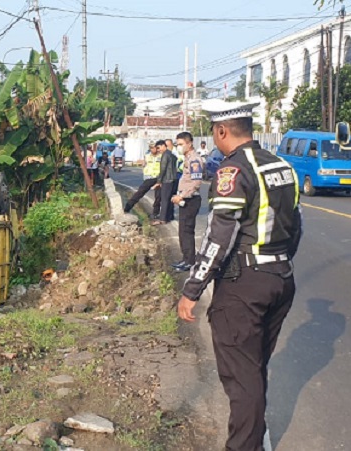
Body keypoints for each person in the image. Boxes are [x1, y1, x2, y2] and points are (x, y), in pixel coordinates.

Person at [178, 102, 302, 451]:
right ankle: (254, 440)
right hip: (281, 276)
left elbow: (220, 237)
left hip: (244, 284)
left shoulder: (232, 171)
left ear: (221, 131)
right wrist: (278, 263)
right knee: (254, 366)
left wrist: (192, 289)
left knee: (241, 376)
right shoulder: (282, 165)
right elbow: (296, 226)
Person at [170, 132, 204, 272]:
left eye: (181, 144)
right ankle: (185, 259)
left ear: (189, 144)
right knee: (183, 231)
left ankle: (190, 261)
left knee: (187, 231)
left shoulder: (195, 160)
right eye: (177, 144)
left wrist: (182, 196)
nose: (178, 147)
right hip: (185, 199)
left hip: (190, 200)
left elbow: (196, 182)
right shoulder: (187, 158)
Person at [124, 141, 161, 217]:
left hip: (158, 177)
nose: (152, 149)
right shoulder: (147, 156)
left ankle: (155, 213)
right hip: (149, 177)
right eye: (151, 148)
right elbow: (144, 164)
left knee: (158, 196)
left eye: (154, 147)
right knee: (140, 192)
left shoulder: (161, 156)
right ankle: (127, 207)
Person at [151, 140, 178, 225]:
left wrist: (159, 181)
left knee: (165, 199)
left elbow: (163, 169)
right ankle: (169, 216)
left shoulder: (165, 155)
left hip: (167, 180)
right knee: (170, 199)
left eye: (159, 148)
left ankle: (162, 219)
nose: (158, 150)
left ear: (163, 146)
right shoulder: (172, 155)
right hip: (174, 179)